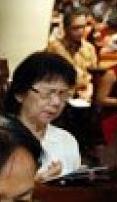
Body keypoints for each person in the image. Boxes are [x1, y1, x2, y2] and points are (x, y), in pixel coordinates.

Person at [6, 52, 81, 180]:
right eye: (48, 93)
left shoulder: (67, 140)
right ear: (20, 93)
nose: (56, 102)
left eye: (62, 94)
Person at [46, 7, 98, 102]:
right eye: (76, 28)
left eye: (83, 27)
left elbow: (93, 75)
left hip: (84, 99)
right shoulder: (54, 47)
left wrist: (89, 89)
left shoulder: (89, 48)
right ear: (66, 28)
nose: (81, 31)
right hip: (60, 97)